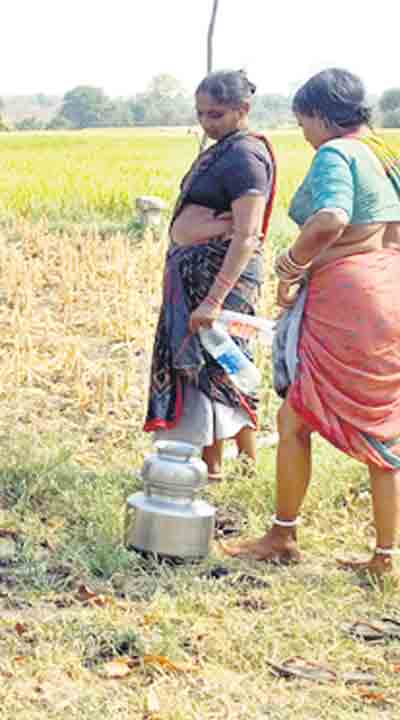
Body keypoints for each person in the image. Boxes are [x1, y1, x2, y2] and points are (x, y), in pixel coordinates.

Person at [223, 68, 400, 577]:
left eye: (304, 122)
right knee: (385, 428)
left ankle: (282, 536)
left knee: (296, 415)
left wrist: (291, 267)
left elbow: (330, 218)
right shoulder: (385, 154)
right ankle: (384, 557)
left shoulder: (337, 154)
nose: (303, 133)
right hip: (388, 290)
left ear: (322, 115)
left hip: (347, 301)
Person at [144, 70, 278, 481]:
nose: (207, 122)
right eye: (201, 114)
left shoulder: (245, 157)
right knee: (218, 369)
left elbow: (248, 233)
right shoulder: (222, 150)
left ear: (244, 109)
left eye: (217, 114)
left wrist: (214, 299)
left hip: (218, 283)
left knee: (216, 369)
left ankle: (217, 470)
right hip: (193, 281)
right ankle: (229, 466)